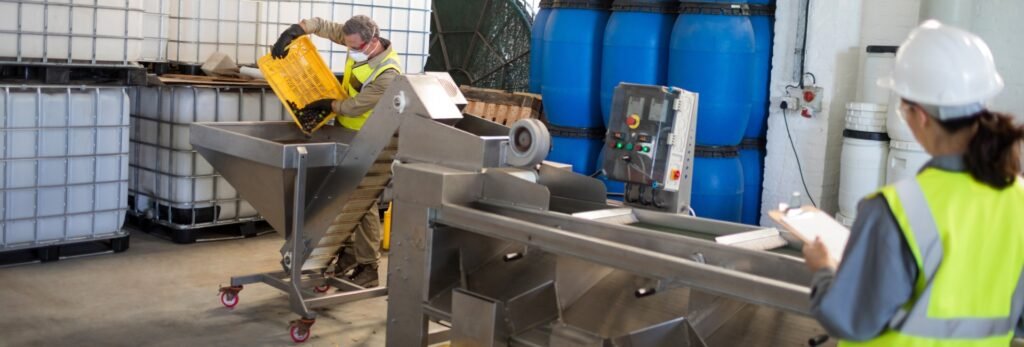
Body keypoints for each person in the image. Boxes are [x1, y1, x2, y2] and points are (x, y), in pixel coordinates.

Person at [801, 20, 1024, 346]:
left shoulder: (896, 209)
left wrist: (822, 270)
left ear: (919, 116)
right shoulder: (1017, 199)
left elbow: (847, 319)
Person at [272, 15, 403, 288]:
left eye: (354, 46)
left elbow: (355, 107)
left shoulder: (388, 73)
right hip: (346, 134)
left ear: (373, 42)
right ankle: (349, 255)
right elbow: (322, 26)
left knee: (361, 202)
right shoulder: (355, 42)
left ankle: (369, 267)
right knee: (345, 197)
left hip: (372, 138)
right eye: (348, 44)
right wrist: (294, 32)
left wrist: (327, 105)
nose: (349, 49)